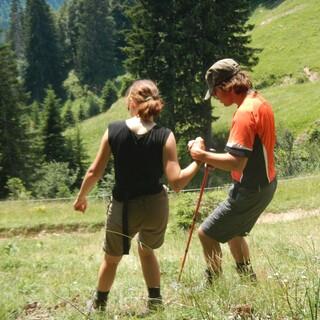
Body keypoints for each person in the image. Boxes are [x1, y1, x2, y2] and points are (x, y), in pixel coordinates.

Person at [73, 79, 204, 312]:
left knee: (111, 259)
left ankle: (99, 305)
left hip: (124, 207)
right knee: (147, 249)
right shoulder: (165, 135)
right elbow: (176, 182)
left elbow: (95, 171)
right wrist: (198, 161)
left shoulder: (114, 130)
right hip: (155, 206)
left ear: (131, 102)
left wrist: (82, 196)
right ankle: (155, 303)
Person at [188, 58, 277, 283]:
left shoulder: (244, 114)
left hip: (250, 189)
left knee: (206, 234)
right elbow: (246, 154)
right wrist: (216, 160)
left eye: (215, 93)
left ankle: (214, 284)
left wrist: (202, 155)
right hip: (265, 184)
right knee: (234, 232)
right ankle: (249, 280)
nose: (216, 98)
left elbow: (237, 163)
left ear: (223, 87)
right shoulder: (259, 102)